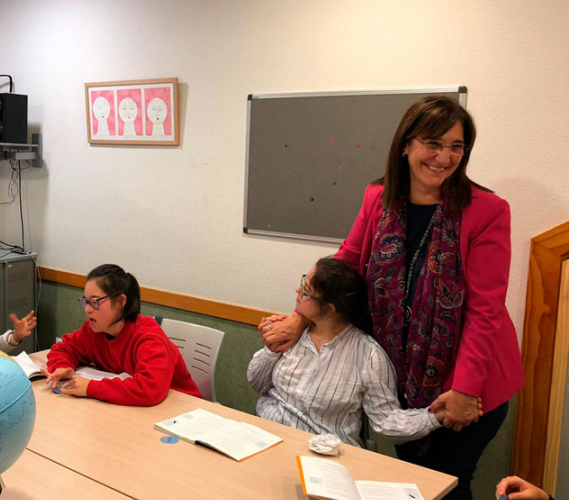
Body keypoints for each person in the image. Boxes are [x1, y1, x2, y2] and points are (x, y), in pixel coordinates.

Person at [258, 96, 525, 499]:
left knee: (447, 484)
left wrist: (466, 389)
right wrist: (300, 317)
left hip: (468, 381)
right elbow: (346, 261)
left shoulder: (487, 210)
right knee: (411, 480)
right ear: (406, 145)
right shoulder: (378, 197)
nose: (444, 157)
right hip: (398, 375)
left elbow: (485, 310)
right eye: (433, 143)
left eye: (456, 146)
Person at [247, 257, 471, 447]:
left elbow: (387, 421)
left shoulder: (368, 355)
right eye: (302, 282)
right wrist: (271, 350)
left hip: (320, 451)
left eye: (306, 291)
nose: (298, 291)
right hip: (267, 437)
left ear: (330, 309)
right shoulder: (292, 333)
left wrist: (435, 416)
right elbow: (256, 383)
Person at [42, 264, 200, 406]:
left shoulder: (148, 337)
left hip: (181, 411)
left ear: (120, 301)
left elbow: (149, 389)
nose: (87, 310)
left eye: (95, 302)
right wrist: (62, 367)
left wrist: (91, 387)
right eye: (86, 302)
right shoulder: (95, 330)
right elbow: (64, 348)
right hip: (133, 410)